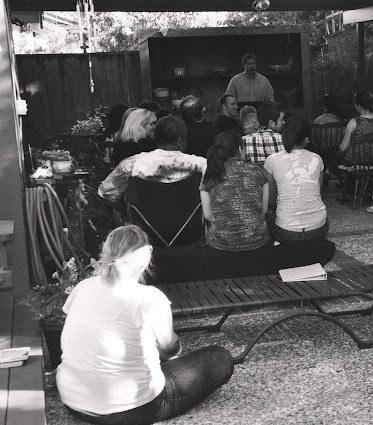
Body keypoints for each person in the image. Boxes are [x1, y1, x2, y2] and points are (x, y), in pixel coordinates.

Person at [56, 225, 234, 424]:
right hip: (126, 410)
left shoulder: (83, 287)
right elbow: (170, 347)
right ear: (147, 254)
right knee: (220, 357)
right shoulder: (149, 298)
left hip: (72, 401)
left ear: (106, 252)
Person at [99, 115, 206, 204]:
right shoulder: (202, 164)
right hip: (190, 221)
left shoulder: (131, 164)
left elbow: (105, 194)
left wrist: (125, 212)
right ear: (180, 141)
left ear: (155, 139)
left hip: (142, 222)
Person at [200, 131, 270, 251]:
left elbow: (208, 215)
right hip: (256, 241)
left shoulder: (210, 175)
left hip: (221, 244)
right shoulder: (257, 171)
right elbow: (263, 210)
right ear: (240, 149)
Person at [264, 116, 328, 243]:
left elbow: (271, 201)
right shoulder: (316, 159)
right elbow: (318, 190)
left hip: (286, 232)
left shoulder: (272, 160)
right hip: (318, 229)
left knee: (270, 218)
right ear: (307, 139)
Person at [334, 92, 373, 200]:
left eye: (355, 104)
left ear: (359, 105)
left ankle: (349, 191)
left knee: (339, 155)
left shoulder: (354, 122)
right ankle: (368, 189)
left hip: (356, 162)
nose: (354, 106)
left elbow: (343, 147)